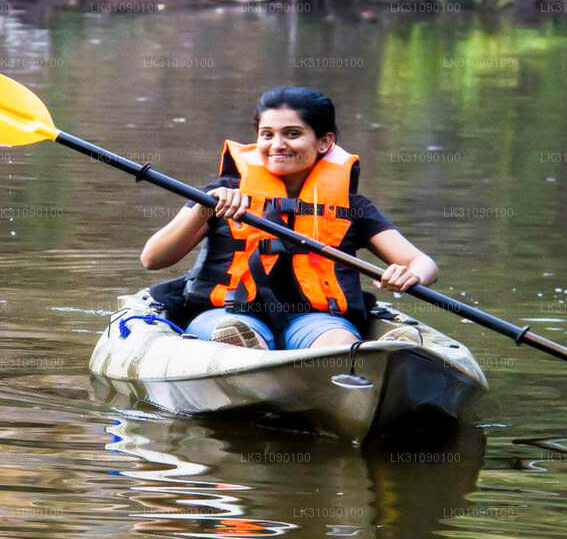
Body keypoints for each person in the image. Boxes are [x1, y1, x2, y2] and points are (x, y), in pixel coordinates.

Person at [139, 87, 438, 350]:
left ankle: (367, 361)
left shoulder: (352, 206)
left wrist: (411, 275)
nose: (277, 144)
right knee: (235, 335)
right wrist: (206, 209)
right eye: (267, 134)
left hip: (315, 320)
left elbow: (423, 263)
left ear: (324, 142)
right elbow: (153, 258)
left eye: (292, 134)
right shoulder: (222, 194)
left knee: (338, 343)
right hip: (226, 315)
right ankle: (251, 366)